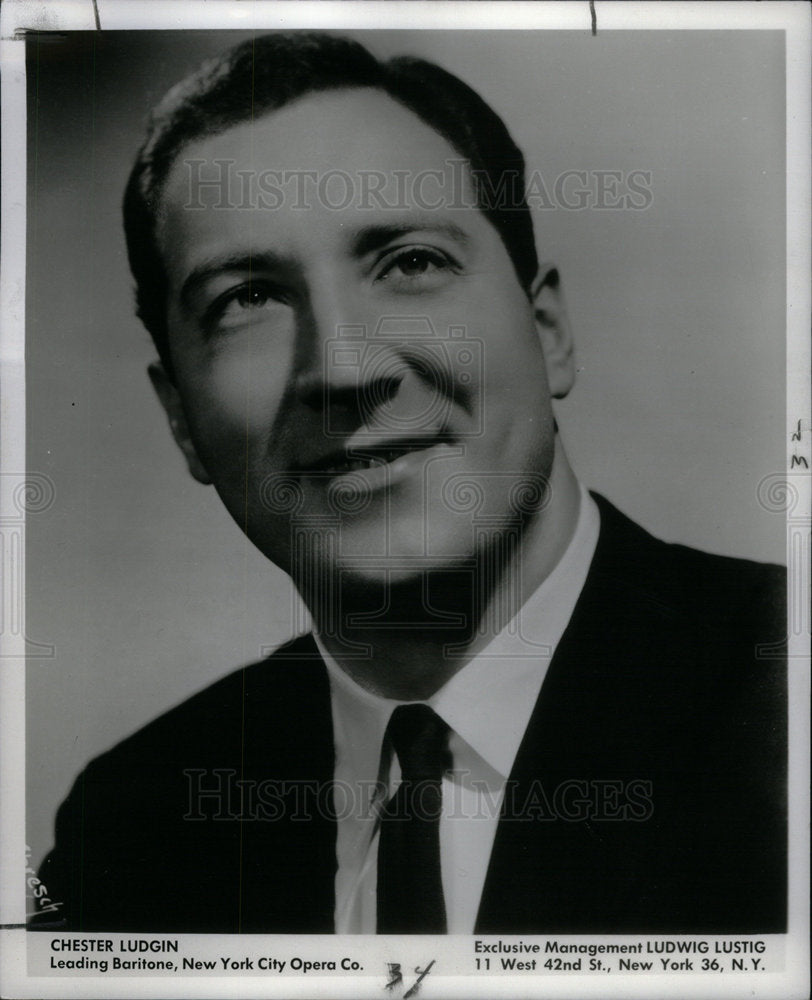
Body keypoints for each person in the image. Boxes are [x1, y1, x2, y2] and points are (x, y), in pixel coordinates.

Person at [30, 31, 786, 935]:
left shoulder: (786, 704)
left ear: (548, 332)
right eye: (247, 299)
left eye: (411, 263)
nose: (343, 369)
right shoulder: (136, 823)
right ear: (183, 421)